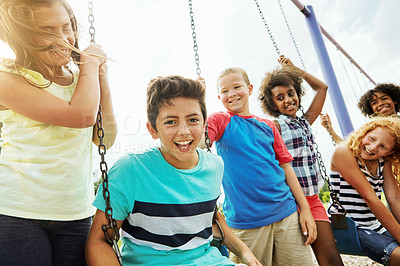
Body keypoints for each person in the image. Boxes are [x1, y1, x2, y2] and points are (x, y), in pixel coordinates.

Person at [85, 76, 262, 266]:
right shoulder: (130, 170)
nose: (184, 131)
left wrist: (246, 254)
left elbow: (213, 218)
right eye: (171, 122)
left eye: (193, 119)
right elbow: (100, 241)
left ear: (204, 125)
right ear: (153, 129)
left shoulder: (214, 166)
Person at [0, 0, 117, 265]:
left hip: (74, 213)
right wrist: (89, 68)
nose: (64, 39)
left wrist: (103, 84)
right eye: (47, 30)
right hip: (17, 213)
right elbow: (80, 116)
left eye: (67, 27)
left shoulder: (82, 82)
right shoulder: (7, 78)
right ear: (23, 37)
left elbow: (105, 140)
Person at [203, 67, 317, 266]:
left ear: (249, 88)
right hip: (246, 222)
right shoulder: (220, 120)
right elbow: (199, 143)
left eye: (237, 87)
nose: (231, 94)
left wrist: (305, 209)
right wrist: (197, 102)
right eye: (225, 91)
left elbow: (286, 168)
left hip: (286, 212)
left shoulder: (268, 125)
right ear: (219, 96)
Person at [258, 55, 343, 266]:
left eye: (291, 93)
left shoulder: (305, 122)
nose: (288, 100)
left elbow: (322, 88)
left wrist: (296, 70)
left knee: (331, 258)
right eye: (280, 97)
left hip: (312, 199)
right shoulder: (276, 126)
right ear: (273, 104)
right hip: (288, 202)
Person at [330, 116, 400, 265]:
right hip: (350, 226)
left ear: (390, 152)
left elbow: (395, 198)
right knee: (398, 254)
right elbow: (370, 198)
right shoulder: (343, 152)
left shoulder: (383, 161)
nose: (373, 147)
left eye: (383, 146)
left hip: (374, 224)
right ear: (364, 133)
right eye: (372, 138)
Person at [321, 83, 400, 143]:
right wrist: (330, 129)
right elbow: (349, 149)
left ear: (394, 101)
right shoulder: (371, 130)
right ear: (371, 109)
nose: (380, 103)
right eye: (374, 103)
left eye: (384, 98)